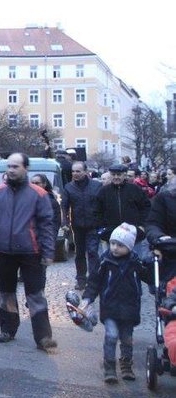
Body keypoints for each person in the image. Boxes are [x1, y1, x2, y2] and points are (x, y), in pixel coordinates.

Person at [0, 152, 57, 351]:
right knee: (6, 293)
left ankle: (43, 337)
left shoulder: (38, 194)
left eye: (15, 167)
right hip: (3, 250)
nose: (11, 170)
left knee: (35, 295)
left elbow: (46, 225)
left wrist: (48, 252)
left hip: (31, 251)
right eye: (9, 166)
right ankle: (7, 329)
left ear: (26, 168)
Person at [78, 223, 150, 383]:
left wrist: (153, 263)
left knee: (127, 338)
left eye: (120, 245)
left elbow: (149, 276)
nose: (115, 248)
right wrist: (87, 299)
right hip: (110, 306)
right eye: (113, 243)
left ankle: (126, 364)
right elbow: (94, 282)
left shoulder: (135, 262)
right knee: (111, 336)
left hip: (130, 308)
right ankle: (109, 366)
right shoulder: (105, 261)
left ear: (130, 247)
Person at [61, 161, 102, 291]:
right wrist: (65, 222)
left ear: (85, 171)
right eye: (73, 171)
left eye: (78, 171)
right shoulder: (68, 187)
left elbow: (103, 205)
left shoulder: (97, 186)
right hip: (77, 226)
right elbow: (64, 207)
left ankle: (94, 280)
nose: (75, 174)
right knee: (79, 254)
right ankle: (81, 279)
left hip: (94, 225)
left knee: (93, 253)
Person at [94, 163, 150, 245]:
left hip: (134, 234)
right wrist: (102, 229)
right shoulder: (103, 191)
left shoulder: (135, 189)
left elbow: (146, 208)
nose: (116, 177)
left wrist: (142, 226)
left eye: (119, 175)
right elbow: (97, 211)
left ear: (124, 175)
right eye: (113, 175)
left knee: (135, 257)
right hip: (111, 234)